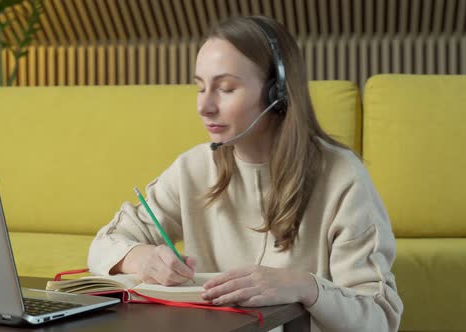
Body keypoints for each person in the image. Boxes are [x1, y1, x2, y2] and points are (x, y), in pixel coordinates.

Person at [87, 15, 403, 331]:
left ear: (277, 93)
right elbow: (105, 244)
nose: (204, 107)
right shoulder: (192, 169)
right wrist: (139, 258)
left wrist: (305, 287)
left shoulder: (342, 177)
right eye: (200, 87)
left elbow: (378, 320)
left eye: (225, 88)